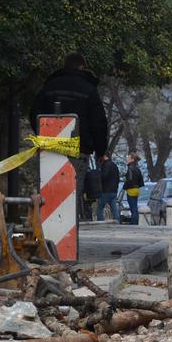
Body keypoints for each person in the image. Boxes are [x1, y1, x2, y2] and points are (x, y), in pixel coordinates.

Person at [29, 52, 108, 219]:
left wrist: (43, 135)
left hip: (50, 148)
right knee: (71, 193)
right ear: (82, 67)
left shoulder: (50, 86)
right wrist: (101, 151)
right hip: (78, 149)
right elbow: (99, 122)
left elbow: (34, 113)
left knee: (49, 192)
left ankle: (48, 229)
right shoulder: (88, 89)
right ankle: (67, 233)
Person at [96, 152, 120, 222]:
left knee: (100, 207)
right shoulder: (114, 165)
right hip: (114, 190)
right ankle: (117, 221)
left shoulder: (105, 165)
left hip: (106, 190)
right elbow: (117, 178)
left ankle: (100, 221)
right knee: (113, 208)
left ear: (104, 156)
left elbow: (103, 177)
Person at [122, 152, 144, 225]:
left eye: (129, 158)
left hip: (131, 190)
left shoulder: (130, 168)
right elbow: (141, 179)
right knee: (135, 207)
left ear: (132, 159)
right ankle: (136, 221)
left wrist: (124, 187)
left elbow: (129, 179)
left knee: (133, 208)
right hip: (137, 189)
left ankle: (134, 223)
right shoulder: (137, 168)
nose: (127, 159)